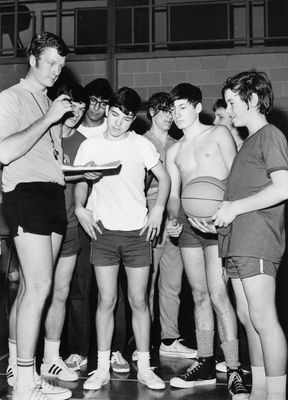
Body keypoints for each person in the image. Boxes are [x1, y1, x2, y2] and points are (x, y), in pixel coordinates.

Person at [74, 87, 170, 390]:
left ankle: (144, 366)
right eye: (113, 114)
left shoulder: (141, 144)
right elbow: (79, 180)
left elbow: (164, 178)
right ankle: (101, 367)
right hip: (103, 231)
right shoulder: (90, 145)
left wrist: (158, 211)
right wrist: (80, 208)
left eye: (125, 118)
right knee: (106, 300)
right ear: (107, 111)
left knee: (139, 300)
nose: (117, 122)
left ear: (133, 119)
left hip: (137, 231)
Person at [0, 32, 72, 400]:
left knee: (31, 287)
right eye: (50, 63)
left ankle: (19, 369)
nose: (56, 71)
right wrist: (49, 118)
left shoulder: (49, 102)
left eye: (61, 65)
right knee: (40, 287)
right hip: (24, 194)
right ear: (32, 59)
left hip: (52, 193)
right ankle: (26, 383)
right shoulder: (10, 99)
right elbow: (6, 151)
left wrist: (76, 172)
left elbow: (48, 160)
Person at [166, 83, 249, 399]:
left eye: (183, 107)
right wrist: (173, 219)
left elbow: (237, 180)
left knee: (217, 294)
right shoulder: (174, 150)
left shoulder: (219, 135)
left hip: (217, 222)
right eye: (173, 109)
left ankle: (233, 369)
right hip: (189, 225)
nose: (177, 114)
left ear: (198, 107)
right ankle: (203, 361)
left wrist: (224, 216)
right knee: (198, 293)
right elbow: (174, 195)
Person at [211, 70, 287, 400]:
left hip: (257, 238)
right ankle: (259, 391)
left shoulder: (270, 135)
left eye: (232, 102)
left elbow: (284, 187)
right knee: (248, 319)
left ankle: (277, 395)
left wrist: (235, 208)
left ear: (253, 99)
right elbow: (239, 198)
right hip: (236, 241)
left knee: (263, 319)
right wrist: (219, 215)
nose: (228, 109)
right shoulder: (247, 144)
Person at [63, 78, 130, 374]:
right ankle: (77, 350)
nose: (96, 108)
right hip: (81, 218)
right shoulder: (72, 132)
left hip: (110, 221)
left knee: (111, 289)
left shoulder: (116, 131)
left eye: (104, 103)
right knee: (79, 287)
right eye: (92, 101)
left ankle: (117, 349)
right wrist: (80, 209)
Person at [143, 92, 197, 358]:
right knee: (146, 283)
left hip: (173, 220)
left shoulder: (179, 144)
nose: (169, 116)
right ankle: (144, 343)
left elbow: (182, 188)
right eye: (163, 110)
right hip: (149, 218)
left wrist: (175, 219)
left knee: (172, 284)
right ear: (152, 112)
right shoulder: (141, 142)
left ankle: (169, 340)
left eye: (171, 110)